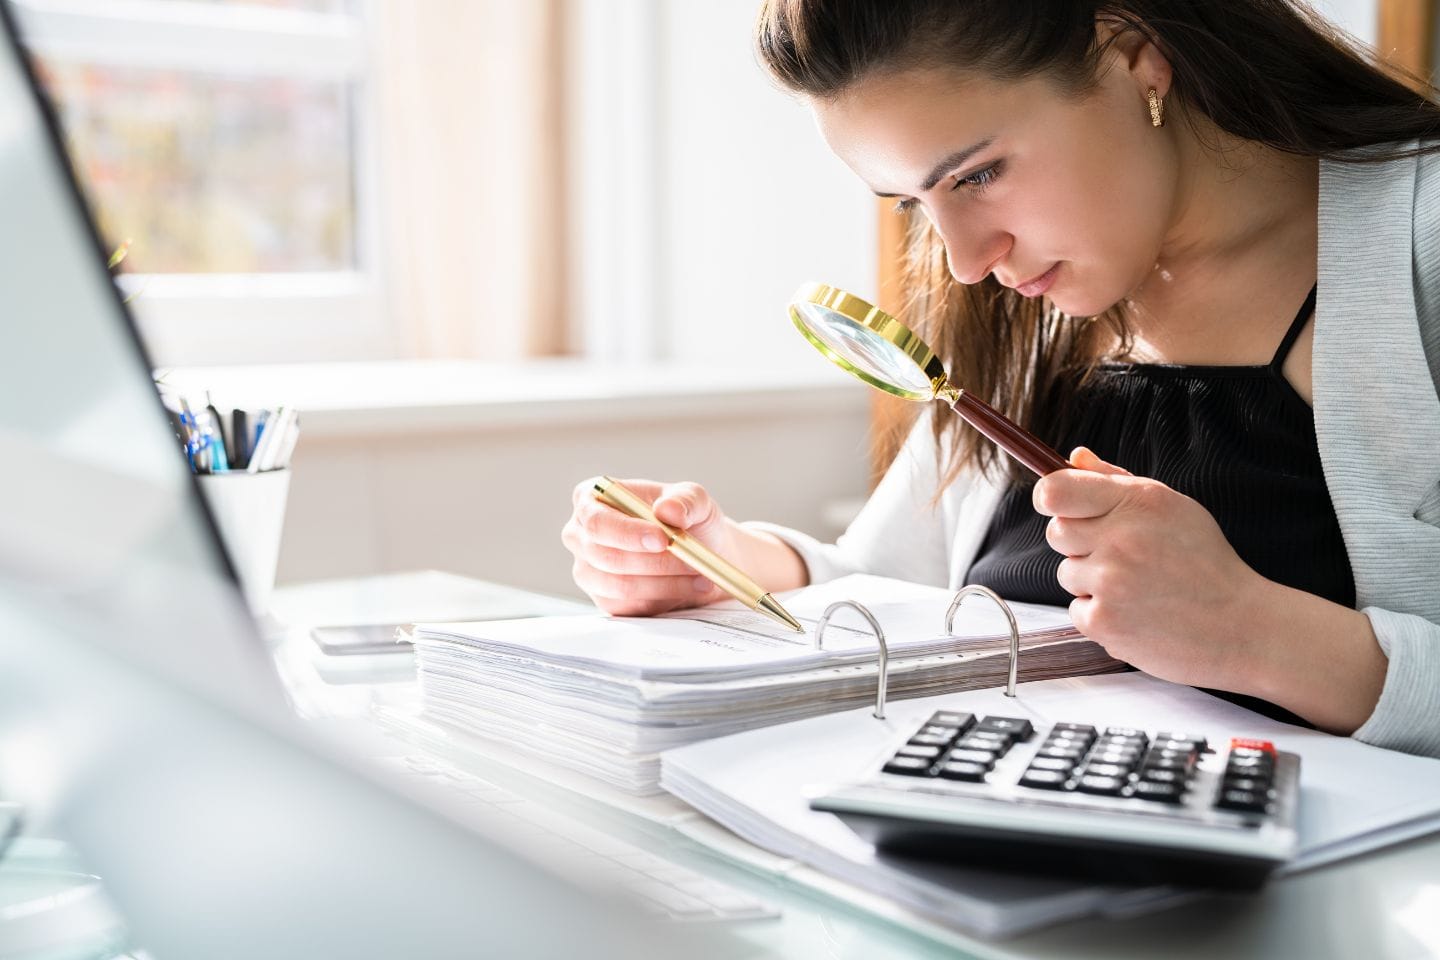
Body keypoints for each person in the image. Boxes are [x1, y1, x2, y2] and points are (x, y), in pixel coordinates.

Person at [561, 1, 1440, 758]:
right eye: (914, 203)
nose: (968, 262)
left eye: (980, 174)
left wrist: (1261, 635)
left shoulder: (1421, 239)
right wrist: (732, 565)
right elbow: (886, 583)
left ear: (1137, 58)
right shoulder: (1019, 304)